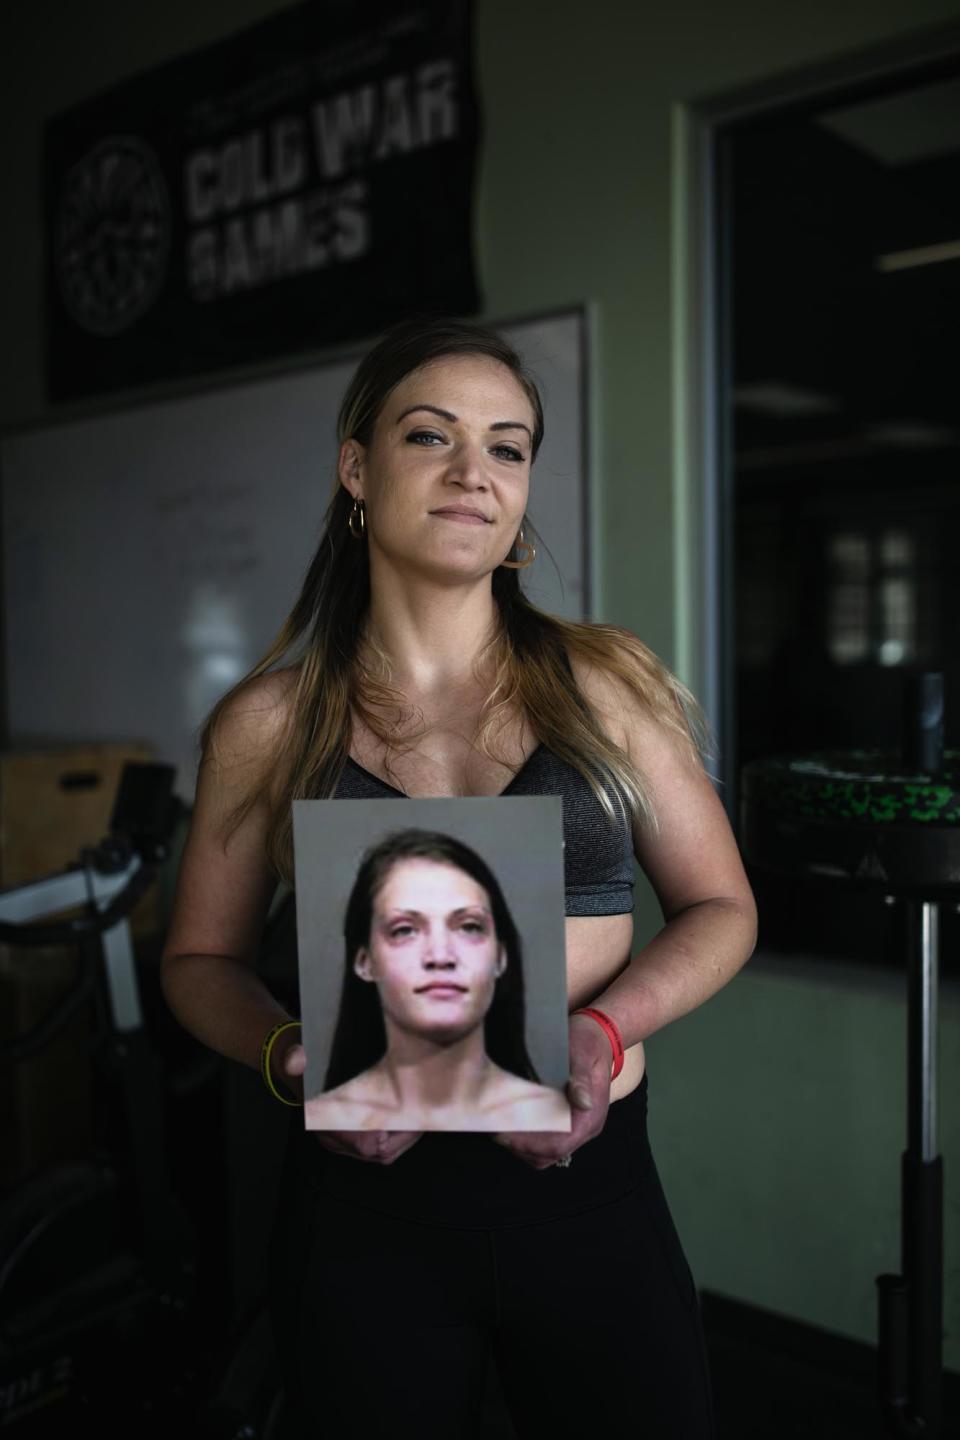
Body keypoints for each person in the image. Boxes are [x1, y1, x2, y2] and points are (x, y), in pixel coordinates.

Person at [161, 315, 757, 1439]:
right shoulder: (268, 722)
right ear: (357, 468)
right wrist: (289, 1055)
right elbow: (199, 959)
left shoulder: (605, 687)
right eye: (430, 437)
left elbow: (724, 909)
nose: (474, 472)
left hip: (588, 1199)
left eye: (509, 446)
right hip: (364, 1214)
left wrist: (608, 1032)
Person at [306, 827, 569, 1132]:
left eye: (469, 926)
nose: (440, 956)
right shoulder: (326, 1121)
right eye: (404, 930)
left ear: (500, 957)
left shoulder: (554, 1119)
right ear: (365, 962)